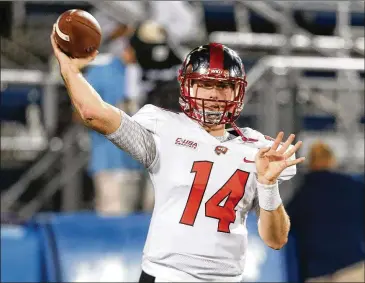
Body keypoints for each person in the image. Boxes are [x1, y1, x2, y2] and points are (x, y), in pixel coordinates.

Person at [51, 24, 305, 281]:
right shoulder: (165, 130)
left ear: (237, 91)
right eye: (205, 84)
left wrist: (269, 185)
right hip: (166, 276)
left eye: (224, 85)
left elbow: (276, 239)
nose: (214, 94)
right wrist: (70, 70)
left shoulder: (257, 148)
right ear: (188, 87)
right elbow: (95, 114)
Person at [287, 141, 364, 283]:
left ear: (310, 164)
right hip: (352, 265)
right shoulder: (355, 187)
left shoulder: (303, 195)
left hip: (317, 270)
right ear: (332, 160)